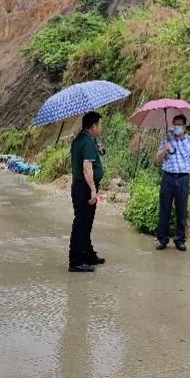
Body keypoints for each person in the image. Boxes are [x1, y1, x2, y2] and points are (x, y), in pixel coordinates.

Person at [154, 114, 190, 251]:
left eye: (179, 125)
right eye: (174, 124)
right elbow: (157, 158)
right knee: (164, 209)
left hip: (183, 178)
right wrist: (165, 149)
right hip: (168, 177)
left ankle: (180, 240)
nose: (176, 127)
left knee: (181, 210)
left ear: (185, 126)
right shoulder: (166, 139)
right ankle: (162, 239)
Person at [68, 111, 105, 272]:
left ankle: (87, 254)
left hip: (79, 186)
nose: (101, 127)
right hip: (84, 187)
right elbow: (87, 167)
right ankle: (76, 261)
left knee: (86, 223)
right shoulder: (87, 141)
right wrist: (93, 190)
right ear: (93, 126)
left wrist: (98, 149)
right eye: (100, 124)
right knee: (82, 223)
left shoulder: (82, 139)